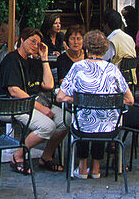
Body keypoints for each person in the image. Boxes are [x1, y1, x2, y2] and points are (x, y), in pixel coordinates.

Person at [56, 30, 133, 179]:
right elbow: (130, 100)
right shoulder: (113, 70)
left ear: (86, 48)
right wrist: (108, 101)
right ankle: (96, 168)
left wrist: (79, 100)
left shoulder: (78, 67)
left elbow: (60, 97)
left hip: (83, 126)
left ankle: (83, 167)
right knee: (102, 118)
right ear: (105, 50)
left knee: (84, 117)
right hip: (109, 129)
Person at [0, 27, 69, 174]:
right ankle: (18, 157)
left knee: (66, 119)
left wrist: (44, 58)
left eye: (38, 43)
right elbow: (14, 91)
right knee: (47, 126)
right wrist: (42, 109)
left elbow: (48, 85)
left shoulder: (34, 62)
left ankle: (46, 157)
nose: (35, 46)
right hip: (13, 105)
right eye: (32, 42)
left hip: (35, 103)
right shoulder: (12, 60)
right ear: (22, 40)